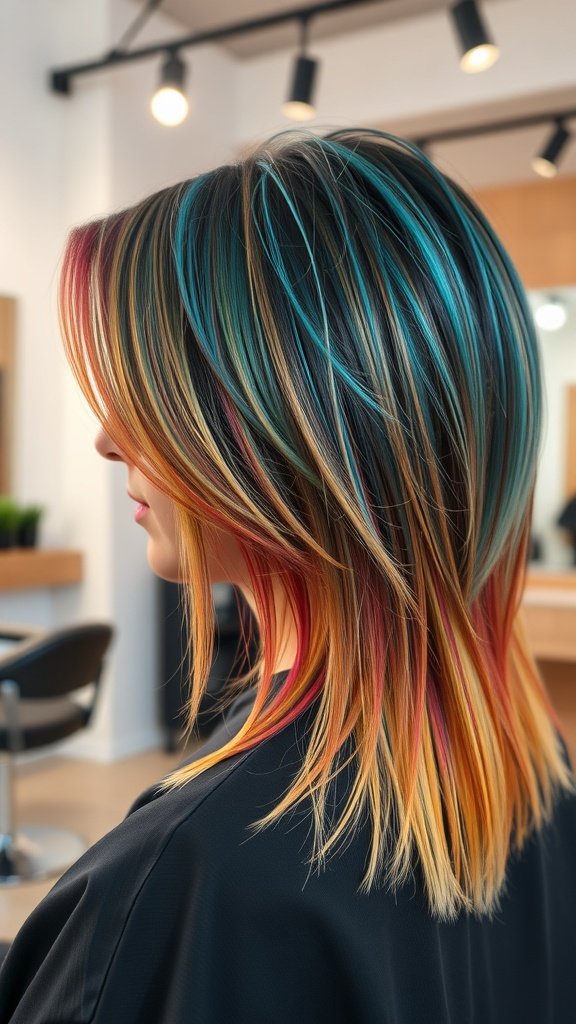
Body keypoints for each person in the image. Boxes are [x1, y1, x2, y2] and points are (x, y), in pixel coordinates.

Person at [1, 127, 575, 1023]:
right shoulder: (538, 768)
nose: (108, 439)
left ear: (287, 433)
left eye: (153, 395)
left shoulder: (193, 879)